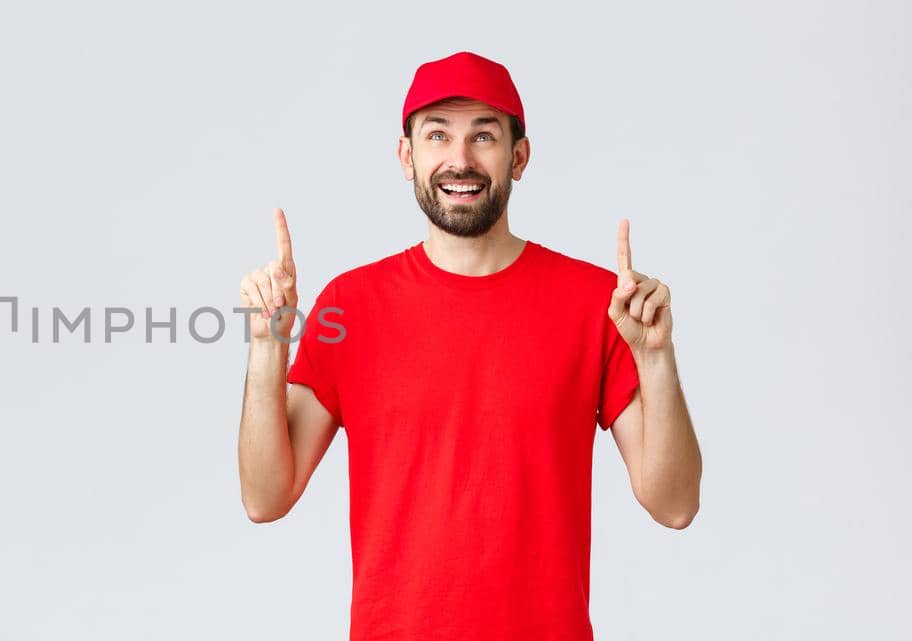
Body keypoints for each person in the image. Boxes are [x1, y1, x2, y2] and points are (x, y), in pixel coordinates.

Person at [235, 51, 703, 641]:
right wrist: (266, 348)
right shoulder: (350, 305)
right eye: (438, 135)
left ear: (519, 156)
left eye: (483, 135)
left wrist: (657, 359)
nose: (460, 159)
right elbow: (264, 497)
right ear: (407, 157)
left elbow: (676, 505)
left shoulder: (595, 304)